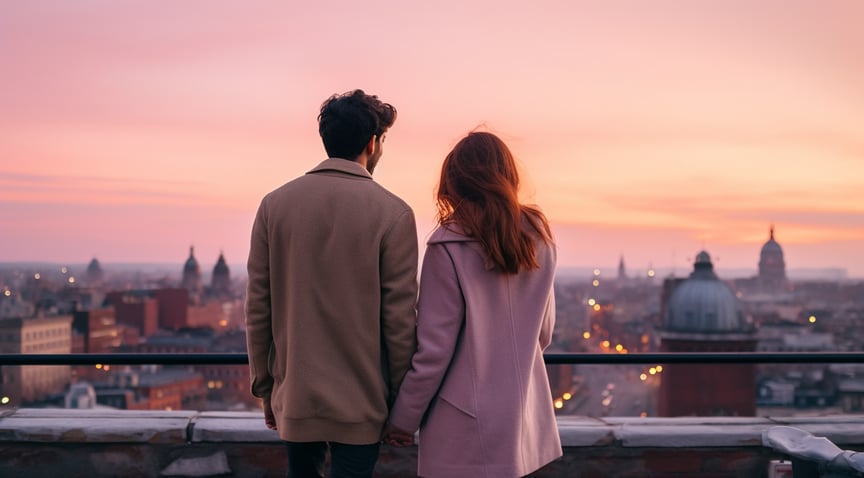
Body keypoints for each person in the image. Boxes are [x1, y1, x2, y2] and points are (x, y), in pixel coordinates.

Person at [245, 89, 419, 478]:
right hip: (362, 403)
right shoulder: (393, 213)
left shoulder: (275, 205)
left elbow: (259, 308)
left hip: (296, 397)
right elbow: (399, 323)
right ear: (373, 143)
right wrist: (402, 402)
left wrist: (266, 389)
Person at [383, 131, 562, 477]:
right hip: (521, 414)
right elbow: (544, 333)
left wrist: (403, 420)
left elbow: (433, 352)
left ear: (455, 182)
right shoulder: (539, 237)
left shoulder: (448, 246)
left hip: (461, 420)